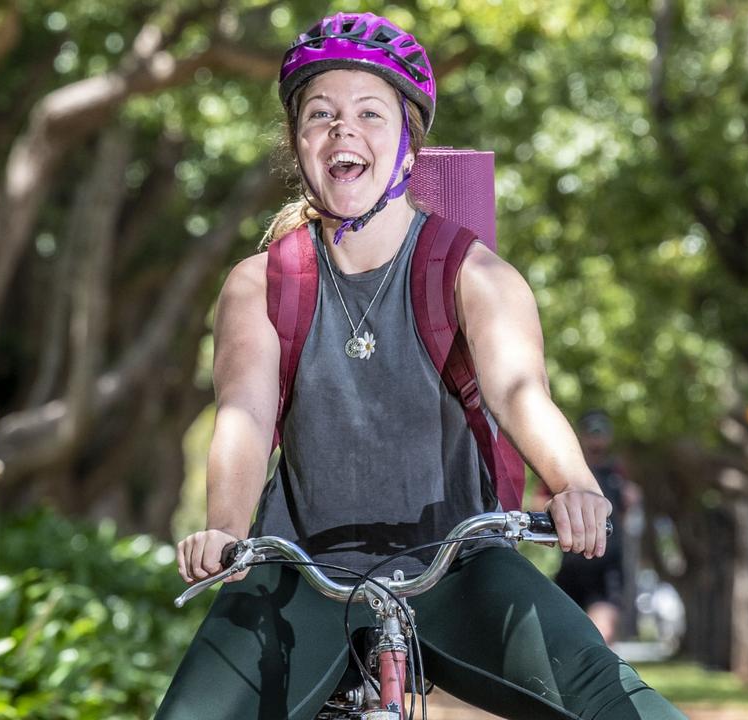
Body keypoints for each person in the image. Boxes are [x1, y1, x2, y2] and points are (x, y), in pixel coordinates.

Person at [157, 12, 684, 720]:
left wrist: (574, 484)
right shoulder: (263, 283)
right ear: (299, 144)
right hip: (300, 575)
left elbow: (520, 393)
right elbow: (245, 416)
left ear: (408, 149)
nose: (344, 130)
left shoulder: (473, 272)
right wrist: (225, 528)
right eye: (322, 115)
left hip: (459, 569)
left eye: (370, 113)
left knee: (620, 703)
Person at [555, 409, 642, 645]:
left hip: (607, 568)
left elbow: (626, 515)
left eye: (601, 433)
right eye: (592, 433)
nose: (597, 439)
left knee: (602, 633)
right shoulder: (563, 471)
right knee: (564, 636)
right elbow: (541, 503)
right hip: (572, 565)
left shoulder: (617, 472)